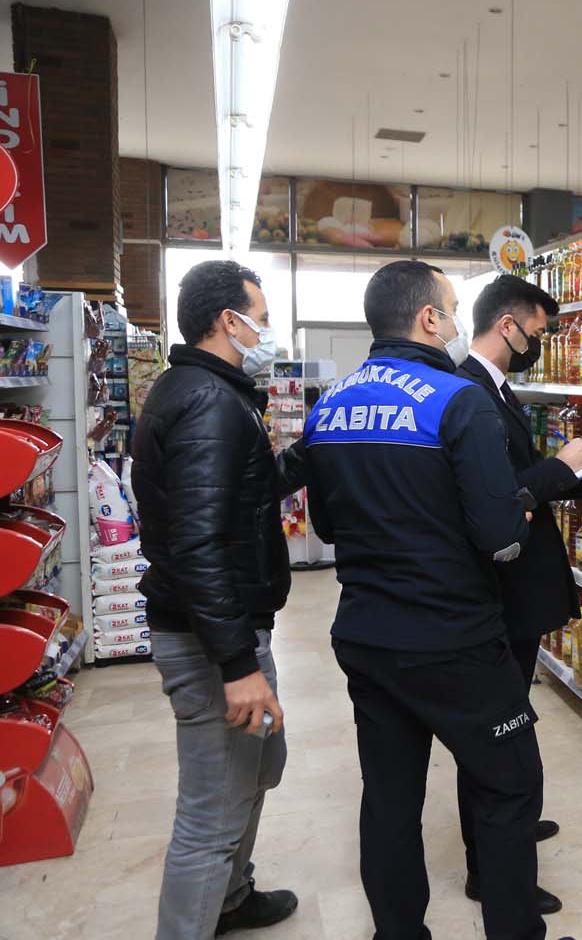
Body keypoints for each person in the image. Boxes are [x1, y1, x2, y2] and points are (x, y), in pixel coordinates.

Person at [301, 260, 561, 940]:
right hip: (455, 638)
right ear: (428, 318)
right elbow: (499, 535)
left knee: (389, 800)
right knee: (508, 784)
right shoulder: (458, 400)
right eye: (449, 308)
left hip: (366, 633)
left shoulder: (329, 406)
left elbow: (325, 524)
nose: (454, 322)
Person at [454, 275, 582, 911]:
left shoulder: (495, 388)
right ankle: (491, 867)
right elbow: (507, 496)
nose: (541, 343)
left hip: (518, 589)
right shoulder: (470, 393)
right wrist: (560, 466)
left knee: (509, 722)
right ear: (507, 325)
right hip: (500, 590)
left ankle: (509, 825)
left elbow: (527, 479)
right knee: (497, 733)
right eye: (537, 332)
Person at [133, 259, 305, 939]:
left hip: (227, 627)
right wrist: (237, 665)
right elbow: (198, 545)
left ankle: (232, 898)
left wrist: (312, 451)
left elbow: (242, 494)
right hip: (211, 642)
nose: (267, 331)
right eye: (261, 318)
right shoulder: (208, 402)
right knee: (212, 813)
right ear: (228, 321)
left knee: (257, 769)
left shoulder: (208, 392)